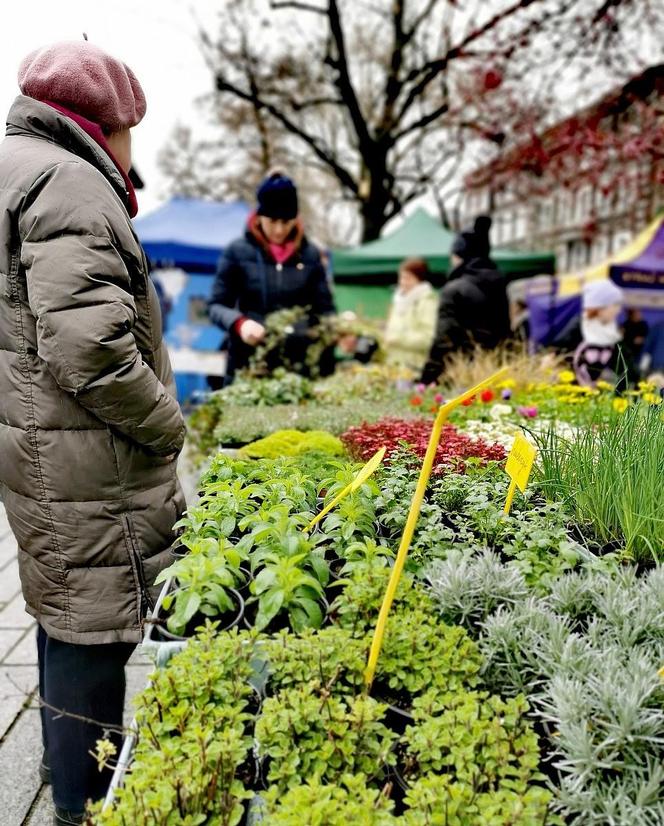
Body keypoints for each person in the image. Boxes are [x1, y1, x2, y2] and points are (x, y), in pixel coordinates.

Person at [0, 41, 186, 825]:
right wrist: (167, 424)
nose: (131, 148)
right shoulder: (71, 182)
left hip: (36, 437)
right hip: (83, 450)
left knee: (58, 597)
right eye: (129, 130)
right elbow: (93, 349)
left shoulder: (17, 166)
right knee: (96, 615)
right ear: (100, 123)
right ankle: (82, 801)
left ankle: (56, 760)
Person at [208, 171, 336, 382]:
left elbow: (325, 310)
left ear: (296, 219)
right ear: (259, 216)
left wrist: (337, 328)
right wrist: (240, 323)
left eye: (286, 222)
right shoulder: (237, 252)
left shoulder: (311, 255)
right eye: (272, 221)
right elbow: (216, 305)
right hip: (248, 366)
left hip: (297, 370)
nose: (279, 230)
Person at [421, 216, 510, 384]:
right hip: (493, 375)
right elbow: (506, 334)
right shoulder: (499, 285)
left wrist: (427, 378)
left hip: (458, 376)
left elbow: (444, 340)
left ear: (459, 256)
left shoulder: (454, 290)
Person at [383, 258, 438, 373]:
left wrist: (397, 339)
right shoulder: (398, 299)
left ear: (419, 280)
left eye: (408, 278)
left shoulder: (427, 301)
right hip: (394, 365)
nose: (403, 282)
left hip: (414, 367)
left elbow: (428, 338)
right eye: (401, 277)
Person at [573, 280, 626, 387]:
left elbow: (626, 366)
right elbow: (558, 354)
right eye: (615, 305)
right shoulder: (579, 328)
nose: (618, 310)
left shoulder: (613, 334)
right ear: (599, 308)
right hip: (573, 394)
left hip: (600, 396)